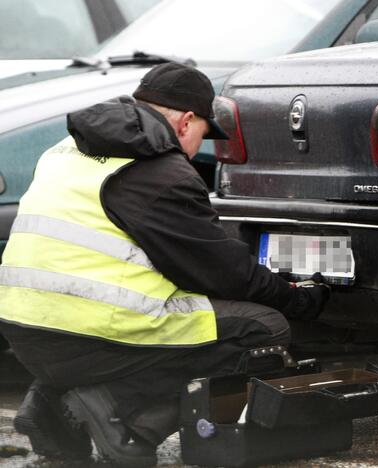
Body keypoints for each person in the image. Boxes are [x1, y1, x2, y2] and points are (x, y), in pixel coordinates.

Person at [0, 63, 330, 466]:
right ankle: (123, 418)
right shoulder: (159, 169)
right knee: (264, 328)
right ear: (187, 121)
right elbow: (224, 273)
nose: (197, 149)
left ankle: (49, 404)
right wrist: (297, 299)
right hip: (87, 334)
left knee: (176, 315)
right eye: (203, 135)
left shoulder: (66, 148)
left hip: (24, 328)